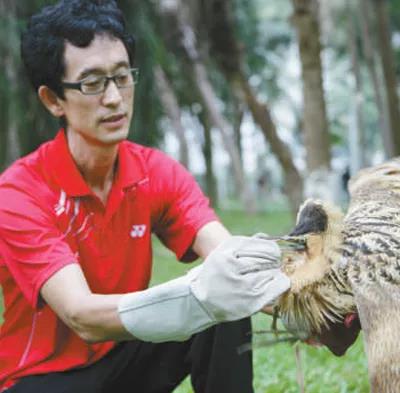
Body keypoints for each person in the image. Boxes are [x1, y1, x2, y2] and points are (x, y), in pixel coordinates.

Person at [0, 1, 291, 392]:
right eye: (92, 83)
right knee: (213, 292)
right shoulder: (19, 193)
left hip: (127, 360)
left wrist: (310, 311)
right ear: (53, 100)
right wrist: (197, 295)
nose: (115, 98)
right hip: (45, 377)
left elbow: (231, 257)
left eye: (122, 77)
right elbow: (82, 315)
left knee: (227, 283)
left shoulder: (156, 172)